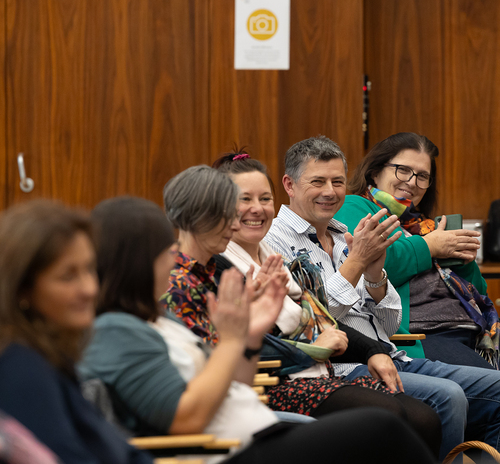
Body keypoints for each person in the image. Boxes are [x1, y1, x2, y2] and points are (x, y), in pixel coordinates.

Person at [78, 196, 436, 464]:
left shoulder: (157, 318)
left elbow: (238, 384)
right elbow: (186, 418)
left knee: (403, 423)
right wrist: (233, 340)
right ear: (138, 263)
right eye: (165, 252)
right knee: (381, 428)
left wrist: (249, 337)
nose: (173, 259)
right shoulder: (115, 331)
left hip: (256, 427)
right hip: (228, 450)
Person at [161, 163, 441, 457]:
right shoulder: (185, 282)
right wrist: (307, 348)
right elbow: (215, 362)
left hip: (279, 385)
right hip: (272, 387)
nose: (234, 224)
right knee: (387, 417)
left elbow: (319, 322)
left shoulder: (259, 262)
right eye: (229, 211)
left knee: (424, 418)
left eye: (265, 199)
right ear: (196, 216)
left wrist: (371, 349)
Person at [264, 136, 500, 461]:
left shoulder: (342, 234)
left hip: (393, 354)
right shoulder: (273, 242)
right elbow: (310, 323)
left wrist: (375, 276)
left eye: (337, 182)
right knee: (448, 396)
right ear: (289, 185)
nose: (330, 191)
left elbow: (388, 325)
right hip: (342, 366)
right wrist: (357, 263)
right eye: (318, 181)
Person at [0, 200, 153, 464]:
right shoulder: (20, 367)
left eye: (90, 269)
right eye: (68, 277)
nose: (90, 289)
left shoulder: (52, 357)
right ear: (22, 289)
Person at [335, 132, 497, 369]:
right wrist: (430, 246)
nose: (412, 182)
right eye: (403, 170)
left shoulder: (423, 226)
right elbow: (372, 265)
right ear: (375, 172)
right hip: (422, 338)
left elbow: (478, 293)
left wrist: (463, 261)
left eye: (422, 176)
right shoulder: (353, 206)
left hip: (473, 336)